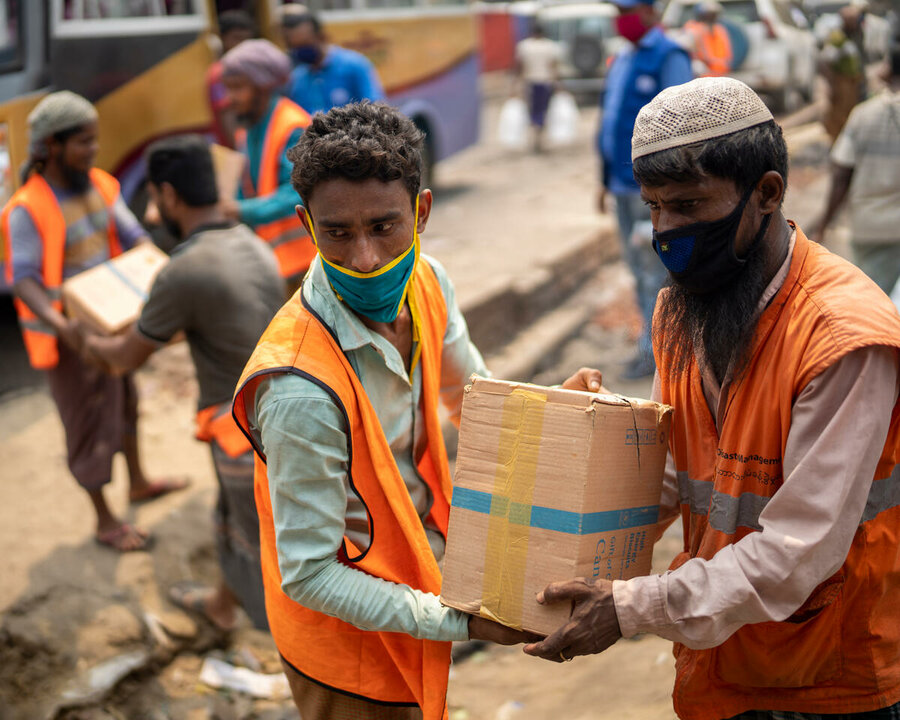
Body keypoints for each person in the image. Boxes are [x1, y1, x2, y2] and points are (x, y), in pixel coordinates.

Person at [526, 77, 900, 720]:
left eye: (690, 206)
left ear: (767, 193)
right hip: (727, 655)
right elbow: (671, 475)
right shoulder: (681, 308)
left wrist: (629, 607)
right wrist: (589, 441)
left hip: (834, 667)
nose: (667, 233)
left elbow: (795, 554)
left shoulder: (843, 338)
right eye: (654, 208)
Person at [231, 102, 534, 720]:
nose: (365, 258)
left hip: (417, 578)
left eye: (384, 226)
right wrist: (460, 622)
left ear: (421, 211)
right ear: (306, 225)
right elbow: (312, 575)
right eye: (338, 233)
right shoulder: (297, 389)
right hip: (345, 649)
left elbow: (472, 397)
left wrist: (555, 414)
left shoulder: (428, 282)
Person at [82, 136, 284, 631]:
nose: (152, 213)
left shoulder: (183, 270)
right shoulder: (252, 244)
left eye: (154, 199)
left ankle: (289, 652)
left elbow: (123, 358)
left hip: (241, 433)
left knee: (260, 545)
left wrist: (80, 335)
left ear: (168, 196)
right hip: (278, 416)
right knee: (234, 522)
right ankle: (219, 605)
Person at [1, 91, 187, 552]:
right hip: (68, 337)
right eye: (83, 142)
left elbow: (134, 237)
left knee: (125, 403)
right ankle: (105, 520)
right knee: (87, 424)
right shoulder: (27, 207)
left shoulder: (101, 185)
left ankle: (139, 481)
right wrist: (61, 324)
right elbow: (22, 279)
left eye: (94, 139)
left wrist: (170, 273)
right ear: (51, 146)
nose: (93, 150)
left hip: (110, 324)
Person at [598, 0, 693, 379]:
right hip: (621, 188)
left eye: (629, 10)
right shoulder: (622, 58)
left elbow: (682, 128)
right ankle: (652, 346)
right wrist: (601, 181)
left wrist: (667, 197)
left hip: (651, 194)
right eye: (618, 11)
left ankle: (661, 357)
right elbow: (609, 120)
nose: (622, 19)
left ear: (652, 11)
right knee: (638, 271)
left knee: (657, 273)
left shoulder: (670, 56)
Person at [219, 39, 315, 291]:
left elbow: (296, 191)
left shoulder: (292, 125)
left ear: (263, 86)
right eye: (227, 88)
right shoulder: (247, 131)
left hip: (305, 264)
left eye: (238, 88)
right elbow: (247, 189)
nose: (230, 98)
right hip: (273, 263)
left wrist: (240, 210)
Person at [812, 46, 900, 294]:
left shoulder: (863, 115)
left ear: (889, 69)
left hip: (869, 226)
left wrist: (824, 223)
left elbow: (841, 175)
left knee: (874, 302)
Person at [281, 8, 386, 115]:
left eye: (305, 44)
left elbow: (376, 109)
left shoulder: (354, 65)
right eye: (296, 46)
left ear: (322, 37)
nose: (301, 50)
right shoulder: (298, 78)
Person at [206, 9, 256, 148]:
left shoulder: (241, 69)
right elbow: (227, 117)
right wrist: (241, 151)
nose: (243, 45)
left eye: (247, 39)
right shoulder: (220, 73)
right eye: (237, 38)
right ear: (222, 39)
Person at [820, 4, 866, 142]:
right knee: (839, 114)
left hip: (852, 82)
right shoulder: (837, 37)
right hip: (842, 82)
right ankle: (837, 141)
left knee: (850, 113)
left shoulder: (853, 36)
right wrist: (832, 83)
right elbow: (827, 61)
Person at [514, 24, 562, 153]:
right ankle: (539, 138)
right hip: (546, 83)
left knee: (532, 111)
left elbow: (520, 66)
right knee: (543, 110)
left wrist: (515, 84)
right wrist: (558, 84)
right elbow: (553, 66)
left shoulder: (524, 46)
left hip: (530, 83)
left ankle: (535, 138)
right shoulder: (550, 46)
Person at [683, 0, 733, 77]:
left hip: (721, 73)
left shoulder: (719, 29)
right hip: (703, 76)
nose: (712, 18)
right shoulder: (693, 28)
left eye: (713, 15)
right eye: (709, 15)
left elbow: (727, 54)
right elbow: (696, 54)